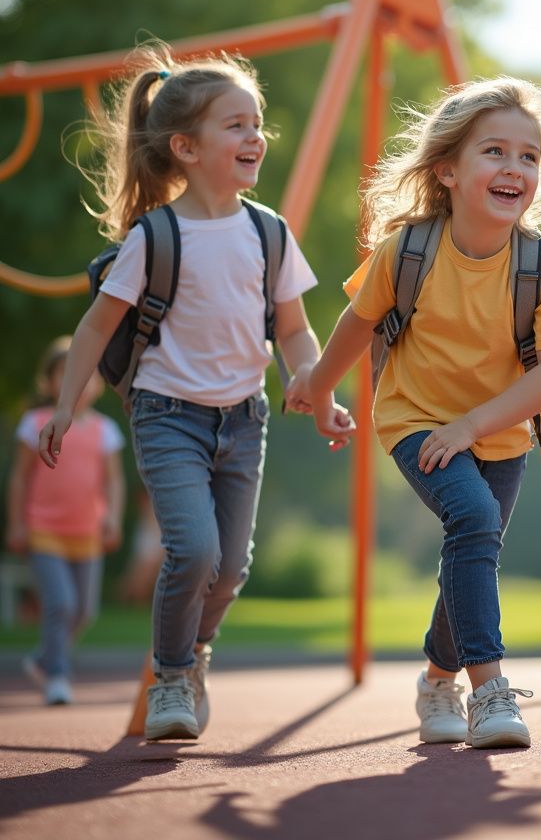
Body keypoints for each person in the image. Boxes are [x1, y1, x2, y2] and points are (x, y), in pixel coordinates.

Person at [36, 44, 352, 741]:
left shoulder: (269, 233)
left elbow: (295, 331)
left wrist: (318, 387)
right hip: (166, 415)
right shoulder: (155, 236)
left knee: (232, 568)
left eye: (257, 121)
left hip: (245, 420)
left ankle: (194, 652)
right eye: (236, 125)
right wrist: (65, 408)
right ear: (185, 146)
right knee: (196, 551)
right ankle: (172, 676)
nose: (255, 136)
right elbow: (96, 327)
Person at [290, 77, 541, 749]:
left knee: (474, 545)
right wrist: (318, 387)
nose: (514, 167)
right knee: (476, 519)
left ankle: (438, 679)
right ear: (448, 170)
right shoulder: (409, 251)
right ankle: (490, 692)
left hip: (499, 435)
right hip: (416, 419)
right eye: (495, 151)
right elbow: (355, 323)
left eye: (529, 156)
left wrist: (473, 427)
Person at [5, 337, 126, 705]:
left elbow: (114, 480)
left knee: (84, 611)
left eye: (88, 374)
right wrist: (16, 524)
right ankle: (57, 674)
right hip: (44, 531)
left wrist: (113, 520)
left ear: (98, 382)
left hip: (87, 531)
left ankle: (44, 659)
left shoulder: (105, 430)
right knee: (61, 603)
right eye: (66, 373)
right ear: (51, 381)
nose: (79, 381)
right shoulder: (34, 423)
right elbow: (20, 477)